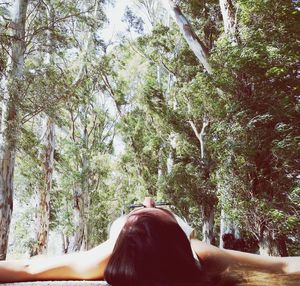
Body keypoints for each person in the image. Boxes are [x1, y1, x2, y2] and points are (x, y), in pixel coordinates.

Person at [0, 197, 299, 285]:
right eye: (154, 209)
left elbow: (28, 267)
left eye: (145, 208)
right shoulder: (201, 254)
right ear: (183, 237)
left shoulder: (103, 259)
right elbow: (284, 267)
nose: (148, 201)